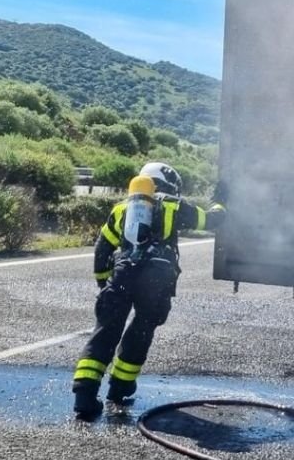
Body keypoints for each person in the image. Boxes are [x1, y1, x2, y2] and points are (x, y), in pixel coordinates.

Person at [71, 162, 227, 419]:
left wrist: (104, 283)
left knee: (104, 333)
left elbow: (102, 249)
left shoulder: (122, 209)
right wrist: (220, 202)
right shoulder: (174, 206)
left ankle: (84, 396)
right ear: (168, 186)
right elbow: (210, 220)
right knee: (140, 332)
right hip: (156, 282)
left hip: (121, 276)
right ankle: (120, 389)